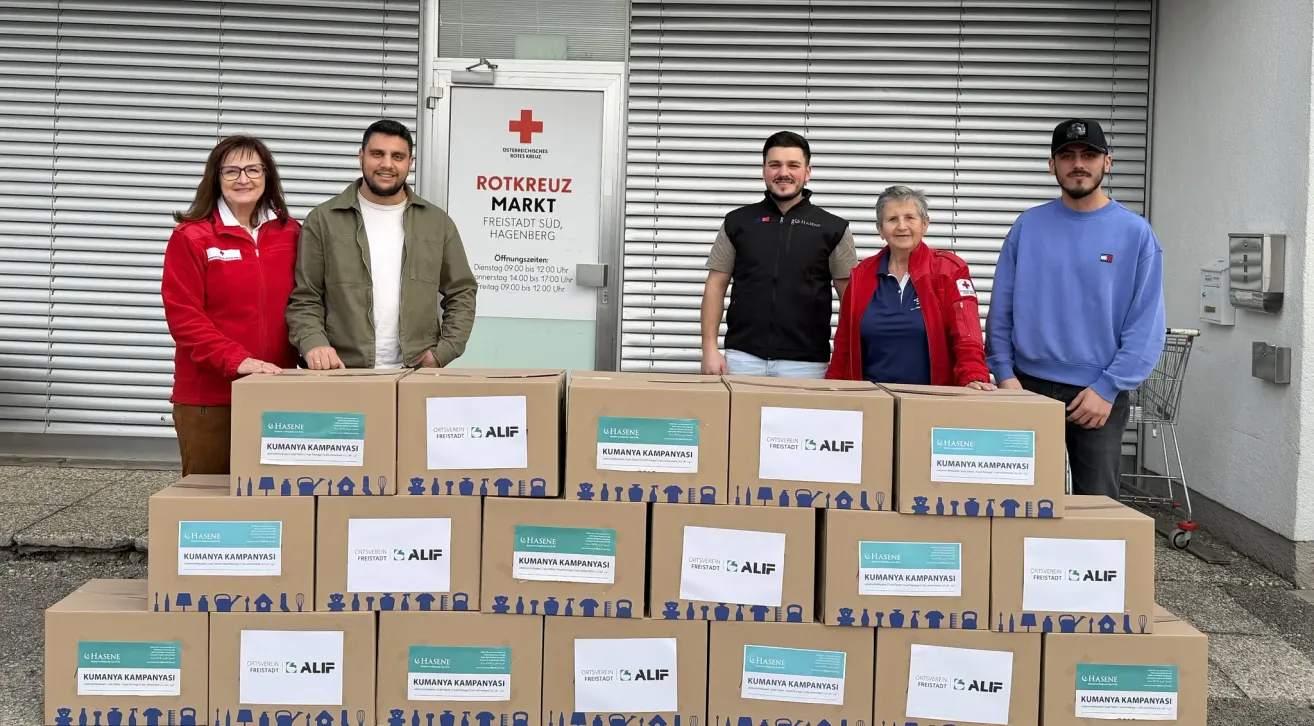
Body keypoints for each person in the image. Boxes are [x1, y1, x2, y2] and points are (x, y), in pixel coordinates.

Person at [986, 119, 1166, 499]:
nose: (1078, 164)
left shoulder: (1135, 233)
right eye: (1067, 156)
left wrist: (1108, 387)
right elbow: (1002, 308)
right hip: (1026, 387)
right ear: (1052, 165)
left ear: (1107, 162)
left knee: (1096, 513)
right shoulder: (1028, 226)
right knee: (1021, 507)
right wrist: (1004, 374)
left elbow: (1145, 323)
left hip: (1098, 392)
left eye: (1089, 154)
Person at [286, 119, 477, 370]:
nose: (387, 164)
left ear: (410, 163)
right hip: (342, 371)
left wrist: (445, 350)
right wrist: (314, 344)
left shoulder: (437, 223)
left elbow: (462, 291)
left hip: (414, 372)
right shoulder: (324, 220)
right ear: (361, 156)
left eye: (398, 156)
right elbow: (305, 298)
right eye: (377, 154)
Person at [162, 135, 301, 475]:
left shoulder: (292, 233)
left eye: (253, 169)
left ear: (267, 176)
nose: (243, 179)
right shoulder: (192, 236)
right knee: (211, 506)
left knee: (274, 504)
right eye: (232, 171)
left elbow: (309, 302)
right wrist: (239, 361)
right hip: (211, 400)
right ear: (215, 178)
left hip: (276, 391)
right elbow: (185, 318)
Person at [700, 131, 857, 378]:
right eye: (775, 165)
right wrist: (709, 347)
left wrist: (846, 358)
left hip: (807, 365)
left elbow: (850, 297)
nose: (783, 172)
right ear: (764, 169)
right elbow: (715, 285)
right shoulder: (737, 222)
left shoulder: (833, 228)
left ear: (807, 171)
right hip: (742, 359)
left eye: (793, 165)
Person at [826, 186, 993, 389]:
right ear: (880, 229)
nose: (901, 226)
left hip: (932, 400)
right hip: (871, 401)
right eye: (892, 219)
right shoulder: (861, 275)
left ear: (925, 224)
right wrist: (831, 391)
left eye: (910, 218)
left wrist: (974, 377)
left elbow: (967, 335)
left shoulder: (948, 271)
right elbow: (844, 346)